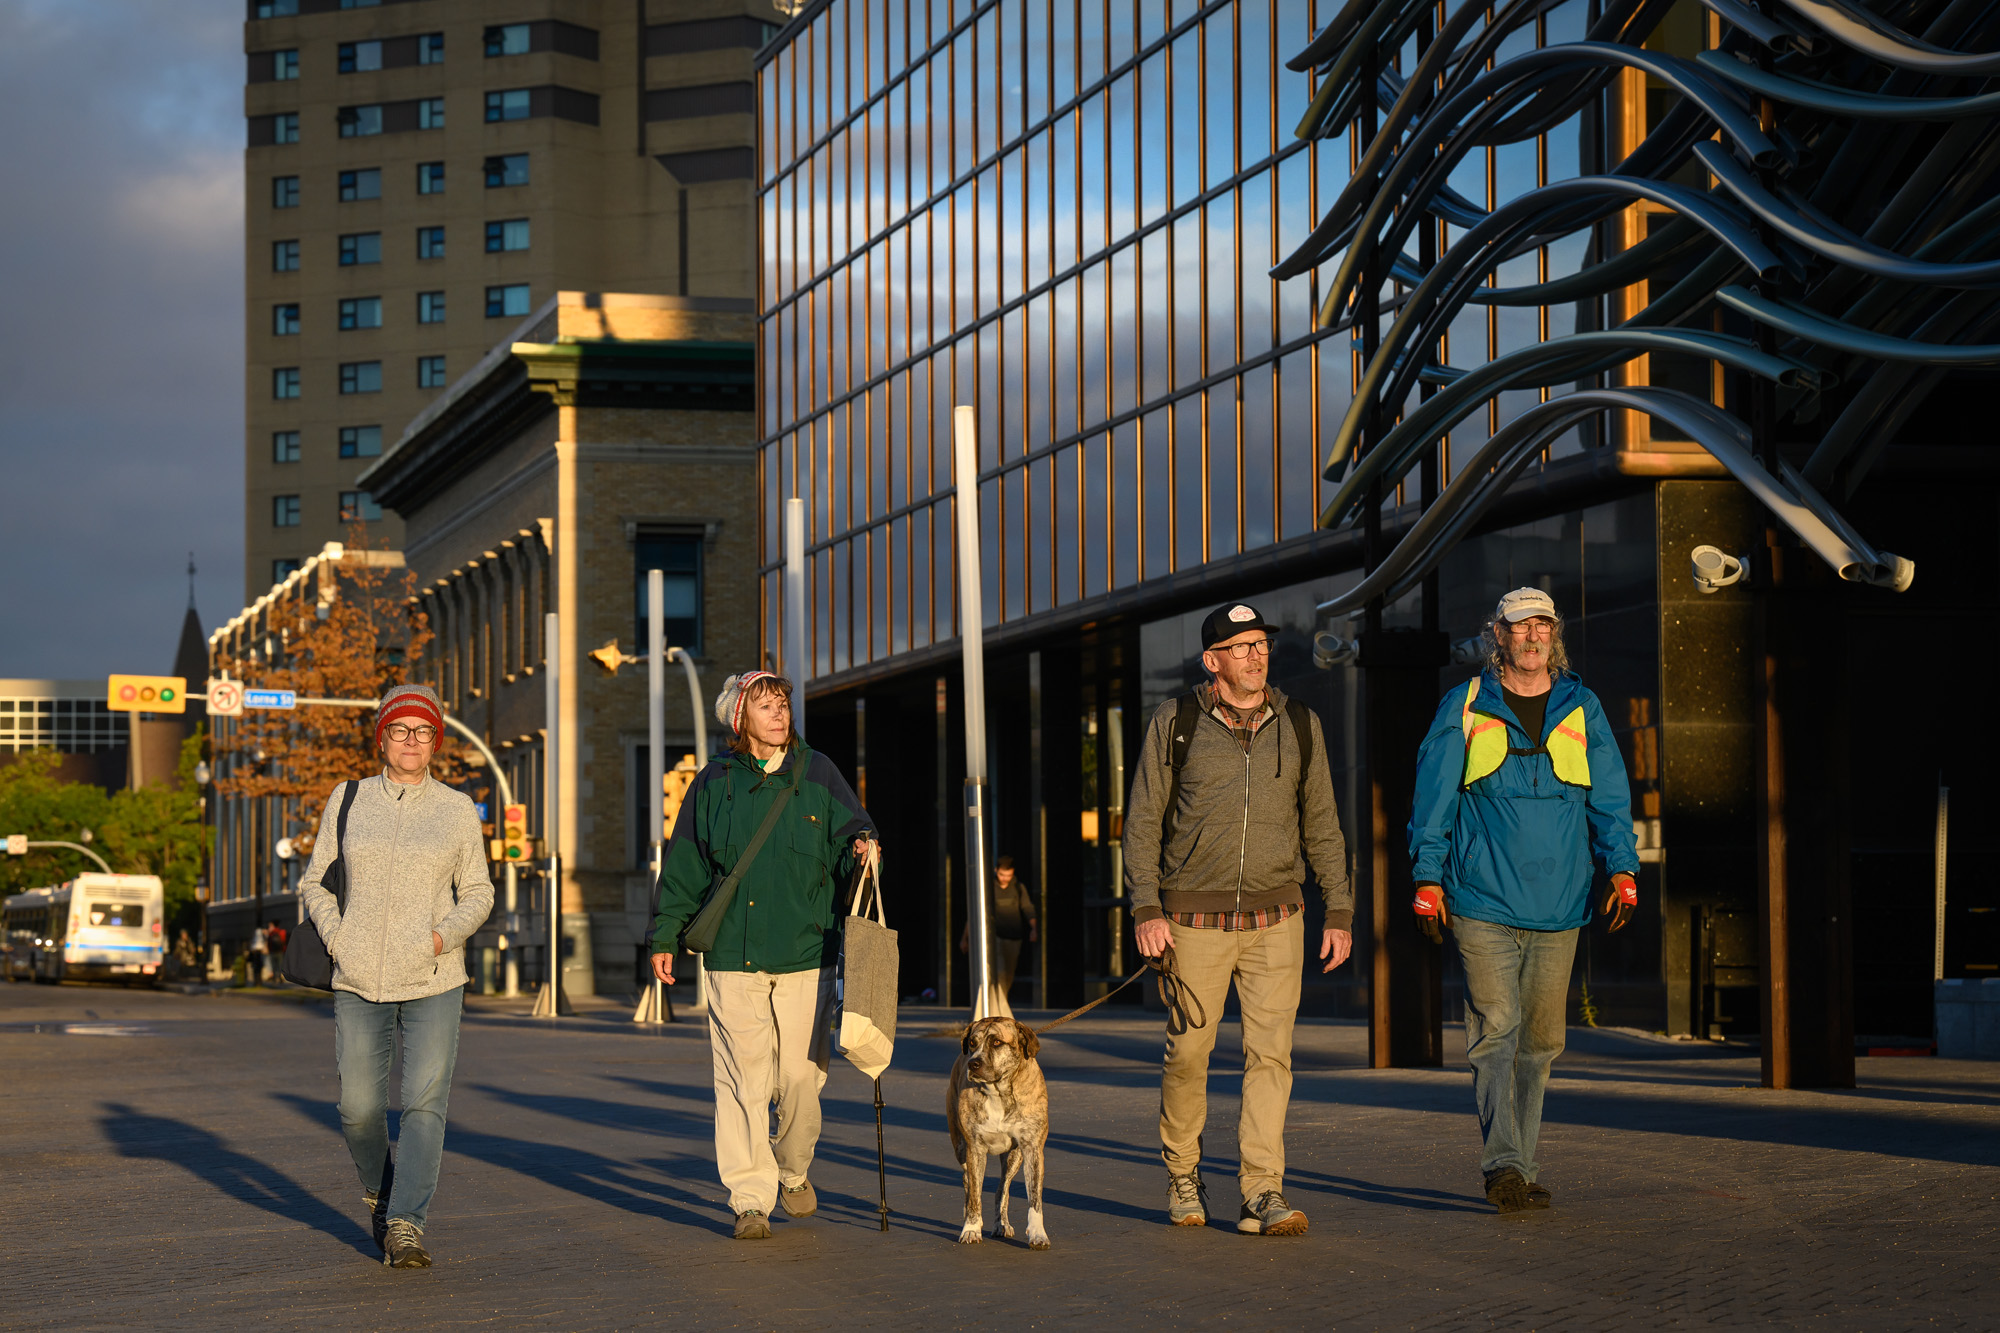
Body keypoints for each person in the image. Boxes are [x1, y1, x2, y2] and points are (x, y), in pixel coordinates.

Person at [1124, 602, 1353, 1236]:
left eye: (1261, 645)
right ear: (1213, 661)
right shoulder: (1175, 722)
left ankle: (1261, 1192)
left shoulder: (1299, 724)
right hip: (1192, 923)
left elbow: (1324, 824)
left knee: (1271, 1057)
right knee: (1189, 1053)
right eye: (1241, 647)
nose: (1256, 655)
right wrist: (1146, 907)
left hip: (1278, 918)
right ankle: (1183, 1174)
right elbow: (1142, 822)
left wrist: (1339, 908)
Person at [1408, 587, 1640, 1214]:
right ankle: (1503, 1166)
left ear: (1554, 634)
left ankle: (1523, 1163)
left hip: (1561, 904)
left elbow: (1610, 800)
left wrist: (1623, 869)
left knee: (1539, 1043)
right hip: (1482, 901)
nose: (1534, 636)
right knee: (1496, 1031)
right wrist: (1428, 880)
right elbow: (1434, 801)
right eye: (1521, 627)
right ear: (1498, 635)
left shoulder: (1581, 706)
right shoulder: (1465, 706)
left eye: (1544, 625)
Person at [648, 671, 878, 1241]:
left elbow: (855, 834)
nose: (779, 715)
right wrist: (664, 937)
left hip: (807, 951)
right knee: (741, 1081)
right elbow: (685, 866)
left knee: (801, 1078)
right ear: (739, 720)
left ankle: (793, 1168)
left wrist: (863, 848)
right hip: (732, 954)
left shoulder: (818, 771)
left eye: (783, 705)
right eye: (765, 707)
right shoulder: (713, 782)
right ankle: (751, 1197)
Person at [298, 683, 494, 1267]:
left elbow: (478, 893)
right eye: (401, 731)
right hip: (358, 976)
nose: (413, 741)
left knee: (424, 1104)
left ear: (437, 741)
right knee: (358, 1108)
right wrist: (341, 939)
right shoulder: (349, 798)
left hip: (434, 977)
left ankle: (406, 1222)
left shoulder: (457, 809)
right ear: (383, 738)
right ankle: (380, 1192)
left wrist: (440, 937)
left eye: (424, 732)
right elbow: (315, 881)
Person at [959, 854, 1039, 997]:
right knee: (1000, 972)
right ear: (996, 871)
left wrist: (1034, 929)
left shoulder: (1018, 887)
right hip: (995, 937)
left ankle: (1001, 1001)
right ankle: (1000, 1005)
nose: (1005, 878)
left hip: (1014, 937)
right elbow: (976, 913)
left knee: (1009, 974)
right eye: (1002, 875)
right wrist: (965, 938)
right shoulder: (989, 888)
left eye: (1008, 875)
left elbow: (1028, 909)